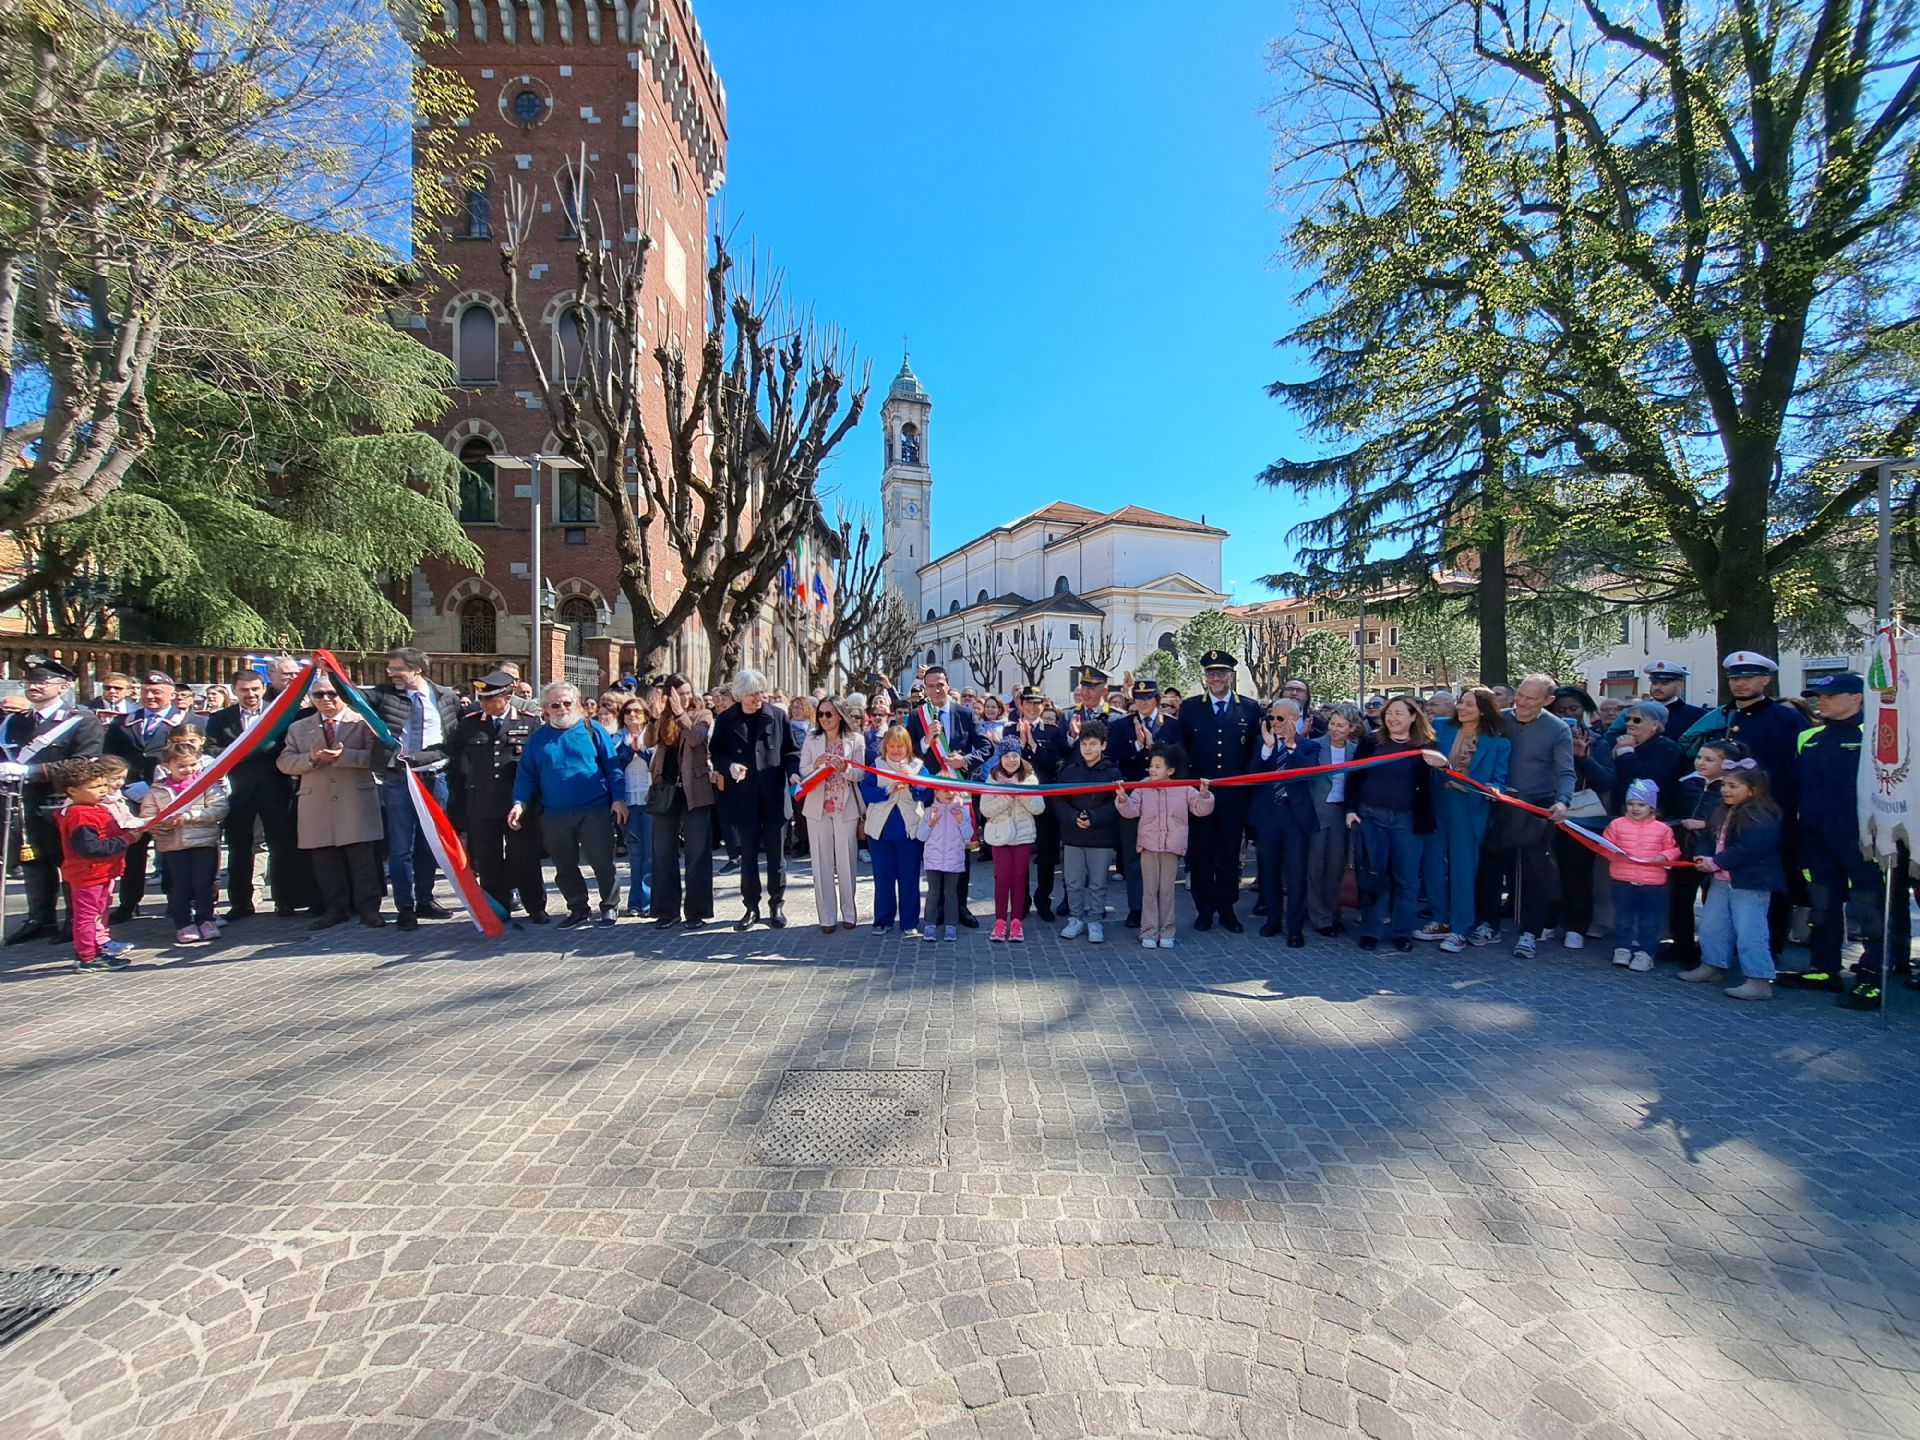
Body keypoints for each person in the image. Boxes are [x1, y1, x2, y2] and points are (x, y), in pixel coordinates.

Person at [1680, 651, 1809, 957]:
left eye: (1748, 678)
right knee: (1720, 883)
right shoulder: (1723, 717)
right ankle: (1719, 953)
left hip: (1766, 812)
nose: (1740, 684)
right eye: (1735, 678)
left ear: (1765, 680)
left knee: (1763, 886)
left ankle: (1767, 953)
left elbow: (1794, 769)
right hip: (1725, 809)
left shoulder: (1785, 718)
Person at [1797, 672, 1905, 1008]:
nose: (1822, 701)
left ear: (1857, 698)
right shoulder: (1808, 736)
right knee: (1822, 906)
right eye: (1819, 696)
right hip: (1817, 837)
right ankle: (1823, 969)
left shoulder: (1877, 735)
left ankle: (1872, 979)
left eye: (1831, 695)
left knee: (1869, 909)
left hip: (1864, 839)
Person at [0, 657, 107, 945]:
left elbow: (83, 764)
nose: (34, 686)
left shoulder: (81, 721)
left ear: (62, 687)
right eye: (29, 681)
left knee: (69, 863)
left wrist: (32, 771)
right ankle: (40, 919)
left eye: (42, 681)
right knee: (34, 862)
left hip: (62, 802)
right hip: (23, 803)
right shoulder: (15, 721)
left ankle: (75, 921)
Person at [509, 683, 624, 931]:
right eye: (555, 704)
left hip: (594, 809)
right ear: (545, 709)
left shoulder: (592, 730)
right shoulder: (537, 739)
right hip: (555, 814)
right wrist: (519, 803)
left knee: (602, 861)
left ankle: (610, 904)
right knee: (564, 865)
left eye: (567, 703)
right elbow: (526, 776)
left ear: (577, 704)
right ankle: (578, 908)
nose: (562, 708)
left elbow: (613, 767)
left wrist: (618, 799)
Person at [277, 677, 385, 930]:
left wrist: (343, 756)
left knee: (362, 861)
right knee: (325, 861)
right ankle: (336, 909)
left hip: (355, 799)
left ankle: (369, 910)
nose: (326, 699)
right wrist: (311, 758)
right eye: (319, 695)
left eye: (332, 693)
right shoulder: (299, 728)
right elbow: (284, 762)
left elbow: (378, 757)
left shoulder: (363, 722)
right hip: (317, 802)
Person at [367, 647, 464, 928]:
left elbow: (452, 739)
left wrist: (424, 758)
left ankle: (425, 899)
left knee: (430, 844)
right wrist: (331, 670)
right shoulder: (384, 694)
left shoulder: (445, 697)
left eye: (398, 668)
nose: (391, 673)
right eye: (390, 668)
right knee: (401, 848)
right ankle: (405, 907)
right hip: (399, 780)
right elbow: (353, 697)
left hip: (434, 779)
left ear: (417, 669)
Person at [1482, 675, 1575, 958]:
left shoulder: (1558, 729)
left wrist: (1563, 802)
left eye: (1530, 699)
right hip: (1498, 804)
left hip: (1536, 806)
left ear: (1548, 700)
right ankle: (1488, 924)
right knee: (1490, 865)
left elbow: (1565, 771)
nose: (1521, 702)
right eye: (1520, 695)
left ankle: (1530, 932)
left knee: (1535, 871)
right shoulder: (1500, 719)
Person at [206, 670, 310, 920]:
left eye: (255, 689)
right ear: (234, 690)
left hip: (275, 789)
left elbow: (289, 745)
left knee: (281, 847)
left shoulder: (279, 714)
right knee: (239, 849)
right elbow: (210, 748)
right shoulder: (220, 718)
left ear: (263, 688)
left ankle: (285, 901)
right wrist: (237, 752)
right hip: (238, 792)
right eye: (244, 690)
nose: (250, 694)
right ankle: (241, 904)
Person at [1345, 696, 1446, 951]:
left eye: (1399, 713)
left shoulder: (1427, 746)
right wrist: (1351, 808)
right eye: (1389, 713)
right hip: (1371, 817)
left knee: (1407, 879)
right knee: (1374, 875)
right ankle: (1371, 931)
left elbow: (1438, 784)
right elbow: (1354, 776)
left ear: (1413, 717)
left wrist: (1441, 767)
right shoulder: (1371, 741)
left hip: (1408, 820)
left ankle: (1402, 932)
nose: (1392, 718)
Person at [447, 671, 547, 926]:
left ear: (507, 697)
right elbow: (448, 751)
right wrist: (415, 758)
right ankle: (498, 908)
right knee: (488, 859)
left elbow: (540, 763)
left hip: (519, 803)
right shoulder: (470, 723)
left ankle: (536, 906)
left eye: (490, 699)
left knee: (525, 856)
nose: (484, 703)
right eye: (481, 698)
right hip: (482, 803)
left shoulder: (528, 722)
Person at [1680, 761, 1785, 1001]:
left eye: (1733, 786)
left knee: (1750, 930)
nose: (1725, 790)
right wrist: (1703, 855)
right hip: (1721, 878)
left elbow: (1751, 848)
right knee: (1711, 924)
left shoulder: (1761, 815)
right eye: (1725, 785)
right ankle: (1712, 965)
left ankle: (1759, 979)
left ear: (1753, 790)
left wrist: (1717, 861)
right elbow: (1708, 837)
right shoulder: (1722, 810)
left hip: (1751, 882)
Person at [1416, 686, 1511, 953]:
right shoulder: (1441, 727)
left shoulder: (1499, 743)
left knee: (1463, 869)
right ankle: (1440, 919)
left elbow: (1500, 779)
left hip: (1469, 807)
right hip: (1438, 802)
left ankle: (1460, 928)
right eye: (1460, 702)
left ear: (1483, 709)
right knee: (1432, 863)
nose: (1461, 707)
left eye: (1468, 703)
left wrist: (1495, 789)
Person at [1174, 650, 1262, 932]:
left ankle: (1227, 908)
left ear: (1231, 676)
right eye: (1212, 674)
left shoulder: (1249, 708)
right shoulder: (1190, 708)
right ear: (1206, 677)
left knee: (1228, 855)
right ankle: (1204, 910)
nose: (1216, 679)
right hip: (1201, 796)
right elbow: (1182, 750)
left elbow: (1254, 750)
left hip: (1234, 797)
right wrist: (1189, 789)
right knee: (1201, 854)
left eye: (1221, 673)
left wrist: (1247, 784)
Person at [709, 668, 801, 931]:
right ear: (740, 695)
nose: (758, 699)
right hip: (744, 797)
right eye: (752, 695)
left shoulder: (777, 716)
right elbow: (717, 753)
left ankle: (776, 904)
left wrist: (793, 773)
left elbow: (791, 751)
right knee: (748, 856)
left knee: (776, 856)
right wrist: (730, 766)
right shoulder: (726, 719)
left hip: (774, 795)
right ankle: (751, 906)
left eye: (761, 693)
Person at [102, 670, 190, 923]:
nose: (150, 696)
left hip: (171, 796)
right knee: (133, 851)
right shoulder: (123, 723)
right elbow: (110, 758)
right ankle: (129, 903)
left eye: (157, 692)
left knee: (173, 850)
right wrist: (128, 785)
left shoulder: (187, 721)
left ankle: (176, 900)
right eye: (146, 691)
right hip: (131, 795)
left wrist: (156, 787)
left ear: (171, 694)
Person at [905, 665, 990, 926]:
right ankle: (938, 907)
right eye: (930, 685)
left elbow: (985, 746)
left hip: (959, 791)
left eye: (940, 684)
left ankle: (960, 906)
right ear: (925, 688)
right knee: (934, 847)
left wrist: (965, 760)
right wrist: (926, 740)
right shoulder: (918, 716)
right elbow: (909, 752)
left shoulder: (965, 712)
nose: (936, 690)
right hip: (932, 792)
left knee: (959, 847)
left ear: (948, 683)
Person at [1117, 744, 1214, 949]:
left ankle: (1167, 931)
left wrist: (1205, 796)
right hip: (1148, 845)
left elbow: (1200, 809)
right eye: (1151, 766)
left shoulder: (1184, 788)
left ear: (1170, 770)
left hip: (1172, 846)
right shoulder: (1142, 787)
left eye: (1158, 766)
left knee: (1167, 891)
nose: (1152, 770)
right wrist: (1123, 799)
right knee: (1150, 891)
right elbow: (1131, 811)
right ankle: (1149, 931)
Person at [53, 756, 140, 972]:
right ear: (72, 791)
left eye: (103, 784)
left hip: (101, 872)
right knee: (87, 916)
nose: (102, 790)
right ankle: (87, 957)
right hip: (87, 873)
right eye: (94, 787)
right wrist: (125, 840)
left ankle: (96, 949)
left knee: (98, 913)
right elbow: (90, 847)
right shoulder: (80, 814)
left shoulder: (95, 808)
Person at [140, 739, 230, 946]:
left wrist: (190, 816)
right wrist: (162, 824)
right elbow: (147, 818)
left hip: (203, 842)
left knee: (204, 884)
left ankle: (206, 920)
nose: (188, 770)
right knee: (180, 886)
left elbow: (219, 808)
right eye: (181, 766)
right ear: (167, 766)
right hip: (173, 845)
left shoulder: (207, 785)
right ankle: (184, 924)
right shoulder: (157, 791)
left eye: (192, 764)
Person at [1250, 698, 1322, 945]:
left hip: (1295, 818)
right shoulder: (1263, 742)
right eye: (1272, 717)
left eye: (1280, 718)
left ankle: (1295, 928)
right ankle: (1273, 919)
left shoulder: (1309, 746)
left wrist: (1291, 746)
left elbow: (1309, 773)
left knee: (1296, 874)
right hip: (1268, 816)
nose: (1275, 723)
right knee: (1268, 871)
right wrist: (1267, 749)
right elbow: (1252, 775)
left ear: (1294, 719)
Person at [648, 675, 718, 930]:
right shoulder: (663, 716)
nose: (685, 697)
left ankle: (696, 912)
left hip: (695, 791)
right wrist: (654, 718)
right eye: (680, 694)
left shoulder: (702, 714)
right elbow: (648, 741)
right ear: (669, 695)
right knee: (663, 852)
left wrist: (679, 713)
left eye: (688, 692)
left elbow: (696, 738)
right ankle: (667, 911)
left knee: (697, 853)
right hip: (665, 790)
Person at [1106, 678, 1176, 929]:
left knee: (1163, 857)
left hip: (1164, 801)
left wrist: (1153, 746)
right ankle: (1137, 908)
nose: (1143, 702)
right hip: (1134, 799)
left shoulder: (1172, 725)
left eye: (1148, 698)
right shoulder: (1122, 725)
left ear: (1157, 699)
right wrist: (1138, 745)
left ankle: (1160, 908)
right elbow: (1113, 759)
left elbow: (1179, 759)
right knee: (1133, 857)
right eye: (1138, 698)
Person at [1051, 718, 1121, 943]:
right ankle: (1075, 918)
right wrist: (1074, 817)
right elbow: (1059, 800)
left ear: (1103, 745)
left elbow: (1116, 804)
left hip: (1101, 837)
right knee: (1073, 882)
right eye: (1084, 744)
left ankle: (1095, 920)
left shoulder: (1112, 773)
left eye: (1093, 744)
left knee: (1098, 883)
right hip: (1073, 836)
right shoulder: (1069, 771)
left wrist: (1093, 817)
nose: (1088, 749)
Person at [800, 697, 866, 933]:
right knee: (821, 862)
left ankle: (849, 912)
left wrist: (845, 768)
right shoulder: (811, 738)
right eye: (821, 714)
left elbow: (860, 773)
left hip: (845, 805)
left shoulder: (855, 739)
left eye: (829, 714)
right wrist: (815, 765)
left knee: (846, 861)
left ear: (840, 714)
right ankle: (826, 916)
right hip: (817, 806)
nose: (824, 719)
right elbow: (802, 770)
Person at [1601, 778, 1680, 972]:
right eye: (1631, 804)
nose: (1635, 808)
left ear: (1652, 807)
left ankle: (1646, 953)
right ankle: (1622, 949)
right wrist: (1614, 853)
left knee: (1650, 922)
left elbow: (1674, 849)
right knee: (1623, 919)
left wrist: (1664, 856)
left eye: (1641, 805)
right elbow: (1604, 845)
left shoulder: (1663, 829)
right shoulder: (1616, 825)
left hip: (1653, 884)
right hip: (1623, 881)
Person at [861, 724, 931, 936]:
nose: (895, 750)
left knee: (909, 878)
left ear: (907, 747)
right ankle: (883, 920)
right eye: (891, 746)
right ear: (885, 747)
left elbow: (926, 795)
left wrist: (913, 782)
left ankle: (909, 921)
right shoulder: (876, 765)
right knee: (883, 878)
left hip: (909, 831)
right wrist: (887, 789)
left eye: (900, 746)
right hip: (880, 831)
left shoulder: (918, 766)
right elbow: (866, 793)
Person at [1306, 702, 1364, 937]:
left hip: (1343, 813)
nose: (1335, 729)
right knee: (1315, 866)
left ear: (1352, 728)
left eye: (1341, 725)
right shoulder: (1314, 746)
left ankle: (1333, 912)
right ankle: (1319, 917)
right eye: (1332, 723)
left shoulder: (1356, 751)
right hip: (1317, 811)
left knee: (1336, 866)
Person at [978, 737, 1044, 942]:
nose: (1011, 760)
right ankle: (999, 921)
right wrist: (1008, 795)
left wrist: (1019, 791)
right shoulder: (992, 779)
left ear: (1020, 757)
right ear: (1001, 758)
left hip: (1022, 837)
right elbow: (985, 809)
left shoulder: (1030, 779)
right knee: (1001, 880)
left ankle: (1016, 921)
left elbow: (1038, 808)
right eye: (1006, 756)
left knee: (1019, 879)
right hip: (1000, 836)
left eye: (1015, 755)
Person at [1010, 686, 1066, 920]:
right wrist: (1021, 746)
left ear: (1044, 705)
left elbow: (1056, 764)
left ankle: (1043, 900)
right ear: (1021, 704)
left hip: (1046, 802)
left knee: (1046, 854)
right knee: (1019, 853)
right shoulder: (1009, 730)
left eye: (1037, 703)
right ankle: (1021, 901)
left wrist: (1033, 745)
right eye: (1028, 703)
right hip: (1018, 801)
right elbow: (1005, 765)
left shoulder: (1054, 731)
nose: (1032, 707)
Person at [1587, 700, 1688, 815]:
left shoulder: (1668, 748)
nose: (1629, 724)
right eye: (1627, 719)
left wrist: (1625, 752)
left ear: (1654, 725)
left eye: (1637, 720)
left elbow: (1643, 779)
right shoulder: (1620, 742)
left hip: (1651, 813)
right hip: (1619, 810)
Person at [918, 778, 974, 942]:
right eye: (945, 790)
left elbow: (968, 836)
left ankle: (951, 925)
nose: (949, 793)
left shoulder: (962, 810)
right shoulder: (929, 810)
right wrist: (931, 822)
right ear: (936, 791)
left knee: (951, 893)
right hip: (933, 860)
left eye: (952, 789)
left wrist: (961, 822)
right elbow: (921, 836)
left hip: (954, 859)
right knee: (933, 892)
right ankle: (930, 924)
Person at [614, 694, 653, 918]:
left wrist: (642, 750)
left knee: (650, 853)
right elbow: (614, 765)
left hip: (650, 800)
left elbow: (657, 763)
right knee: (635, 853)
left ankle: (648, 901)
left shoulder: (653, 734)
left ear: (646, 715)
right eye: (628, 712)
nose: (632, 715)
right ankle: (634, 902)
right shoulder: (618, 737)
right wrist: (631, 750)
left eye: (637, 711)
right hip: (628, 801)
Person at [1641, 659, 1705, 739]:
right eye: (1654, 683)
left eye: (1664, 684)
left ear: (1680, 685)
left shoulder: (1697, 715)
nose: (1657, 687)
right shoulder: (1637, 712)